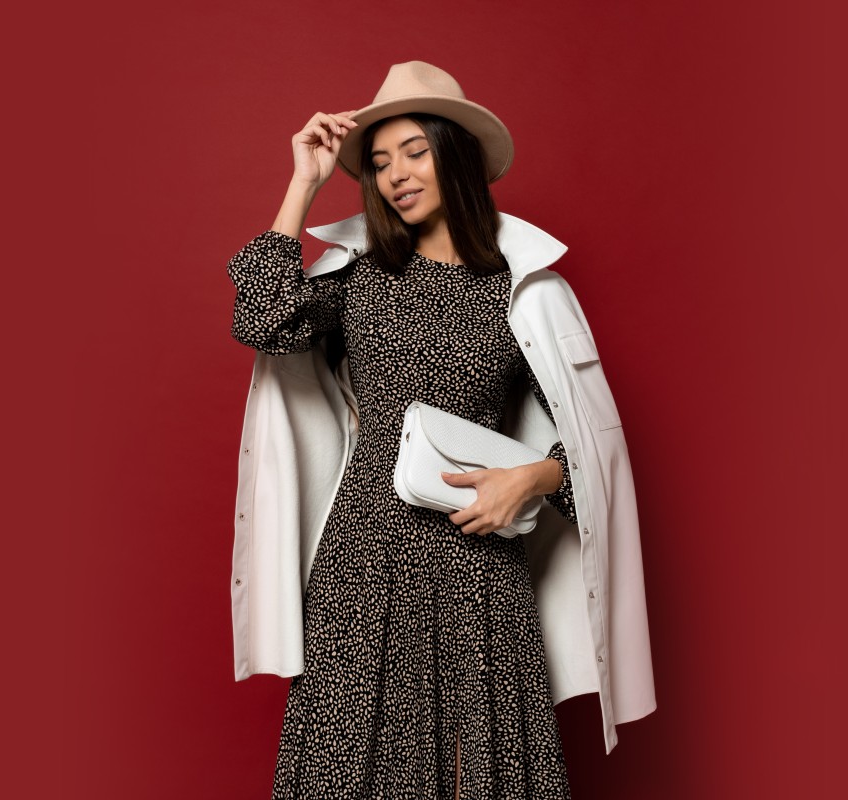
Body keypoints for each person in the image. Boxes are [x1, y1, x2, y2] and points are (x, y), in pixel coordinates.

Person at [226, 62, 655, 800]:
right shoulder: (360, 276)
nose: (396, 174)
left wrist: (534, 478)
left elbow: (595, 446)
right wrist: (303, 184)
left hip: (478, 553)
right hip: (365, 553)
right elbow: (261, 318)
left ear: (454, 153)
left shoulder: (525, 286)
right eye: (380, 161)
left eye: (415, 152)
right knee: (343, 760)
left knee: (485, 761)